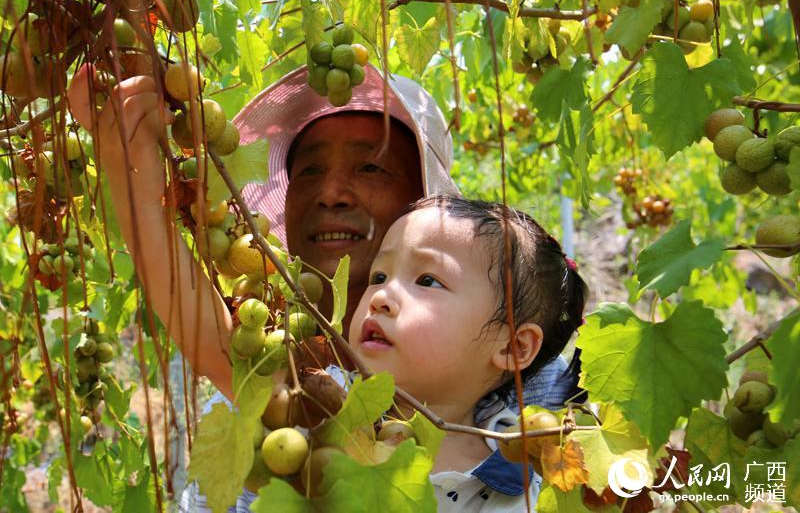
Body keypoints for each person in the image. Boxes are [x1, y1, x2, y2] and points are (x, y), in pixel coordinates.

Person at [67, 63, 583, 411]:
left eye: (372, 168)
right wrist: (127, 161)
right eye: (307, 173)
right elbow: (196, 322)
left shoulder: (541, 412)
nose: (331, 192)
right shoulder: (289, 368)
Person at [190, 195, 588, 511]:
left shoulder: (526, 484)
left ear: (513, 347)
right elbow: (214, 341)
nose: (381, 296)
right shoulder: (321, 406)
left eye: (427, 280)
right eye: (379, 276)